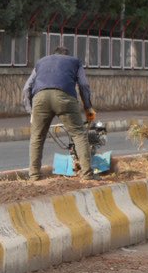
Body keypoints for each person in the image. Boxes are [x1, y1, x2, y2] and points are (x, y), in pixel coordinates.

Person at [24, 50, 96, 180]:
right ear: (67, 55)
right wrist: (88, 107)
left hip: (40, 98)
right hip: (65, 97)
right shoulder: (74, 62)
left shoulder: (41, 62)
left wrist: (31, 111)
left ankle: (34, 176)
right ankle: (87, 174)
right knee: (79, 134)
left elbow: (27, 87)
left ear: (53, 54)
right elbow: (84, 84)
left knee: (37, 137)